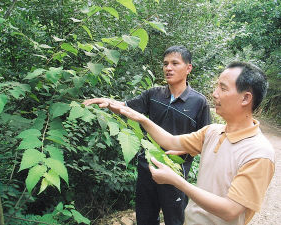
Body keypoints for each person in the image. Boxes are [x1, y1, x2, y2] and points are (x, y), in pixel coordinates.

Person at [107, 61, 275, 225]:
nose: (215, 94)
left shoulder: (259, 153)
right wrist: (142, 119)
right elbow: (171, 141)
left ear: (245, 98)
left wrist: (176, 181)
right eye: (217, 86)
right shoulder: (212, 132)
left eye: (223, 88)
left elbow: (230, 210)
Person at [83, 45, 211, 225]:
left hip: (175, 171)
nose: (168, 68)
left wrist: (186, 154)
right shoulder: (154, 94)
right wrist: (108, 102)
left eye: (175, 63)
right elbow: (126, 107)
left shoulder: (199, 102)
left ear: (188, 68)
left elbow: (207, 139)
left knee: (175, 219)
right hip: (147, 166)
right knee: (145, 216)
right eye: (165, 64)